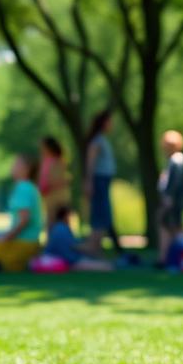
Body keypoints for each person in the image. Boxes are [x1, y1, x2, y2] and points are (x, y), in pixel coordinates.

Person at [0, 154, 42, 272]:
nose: (13, 167)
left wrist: (7, 237)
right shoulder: (28, 187)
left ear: (27, 169)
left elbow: (24, 219)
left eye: (16, 164)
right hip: (29, 240)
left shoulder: (23, 187)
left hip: (24, 241)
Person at [39, 205, 113, 272]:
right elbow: (71, 249)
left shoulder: (58, 228)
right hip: (67, 262)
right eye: (71, 216)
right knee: (106, 266)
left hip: (67, 260)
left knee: (102, 263)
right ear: (66, 216)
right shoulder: (61, 229)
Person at [84, 109, 117, 254]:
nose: (112, 125)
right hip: (98, 180)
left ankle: (96, 246)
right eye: (110, 122)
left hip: (103, 180)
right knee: (100, 212)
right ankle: (93, 246)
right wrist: (89, 181)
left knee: (103, 213)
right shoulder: (97, 140)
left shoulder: (102, 139)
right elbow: (90, 162)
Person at [156, 129, 183, 267]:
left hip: (174, 202)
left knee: (170, 227)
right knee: (175, 228)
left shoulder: (176, 160)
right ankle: (170, 257)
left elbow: (176, 182)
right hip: (177, 201)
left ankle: (166, 258)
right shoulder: (177, 159)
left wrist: (169, 198)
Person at [38, 136, 72, 225]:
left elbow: (61, 180)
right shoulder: (46, 161)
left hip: (58, 198)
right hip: (50, 198)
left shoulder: (58, 162)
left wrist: (48, 186)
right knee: (51, 223)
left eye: (43, 147)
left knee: (59, 223)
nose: (41, 150)